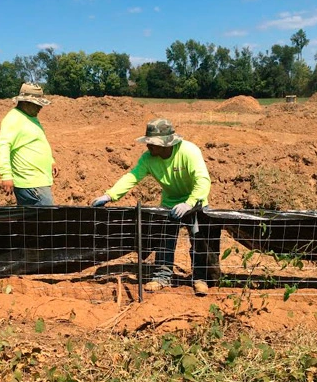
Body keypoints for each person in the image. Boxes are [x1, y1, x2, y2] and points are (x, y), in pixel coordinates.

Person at [91, 118, 221, 296]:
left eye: (153, 143)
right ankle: (162, 277)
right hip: (170, 203)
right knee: (164, 242)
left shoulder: (189, 152)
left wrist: (190, 203)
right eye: (148, 142)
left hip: (195, 203)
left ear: (167, 143)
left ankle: (200, 278)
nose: (148, 146)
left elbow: (203, 180)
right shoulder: (148, 158)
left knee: (199, 240)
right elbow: (133, 176)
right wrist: (110, 195)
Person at [0, 83, 57, 206]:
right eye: (37, 104)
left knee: (35, 223)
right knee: (47, 220)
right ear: (26, 103)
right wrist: (6, 175)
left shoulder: (31, 117)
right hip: (30, 182)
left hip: (38, 181)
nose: (40, 108)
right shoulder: (13, 119)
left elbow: (36, 141)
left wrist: (51, 160)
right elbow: (3, 147)